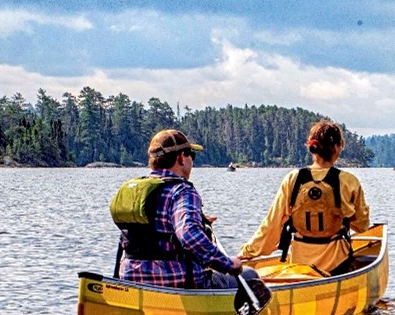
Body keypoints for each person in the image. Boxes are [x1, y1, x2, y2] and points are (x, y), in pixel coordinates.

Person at [110, 129, 259, 292]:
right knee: (250, 275)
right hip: (177, 285)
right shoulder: (182, 191)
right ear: (181, 158)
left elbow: (154, 231)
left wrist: (201, 221)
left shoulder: (139, 192)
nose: (192, 161)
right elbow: (189, 235)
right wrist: (228, 264)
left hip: (132, 283)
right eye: (191, 155)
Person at [240, 120, 371, 275]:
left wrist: (247, 253)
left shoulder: (292, 179)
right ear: (337, 148)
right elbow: (362, 225)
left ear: (313, 149)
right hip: (337, 264)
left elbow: (272, 224)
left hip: (299, 266)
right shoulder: (349, 181)